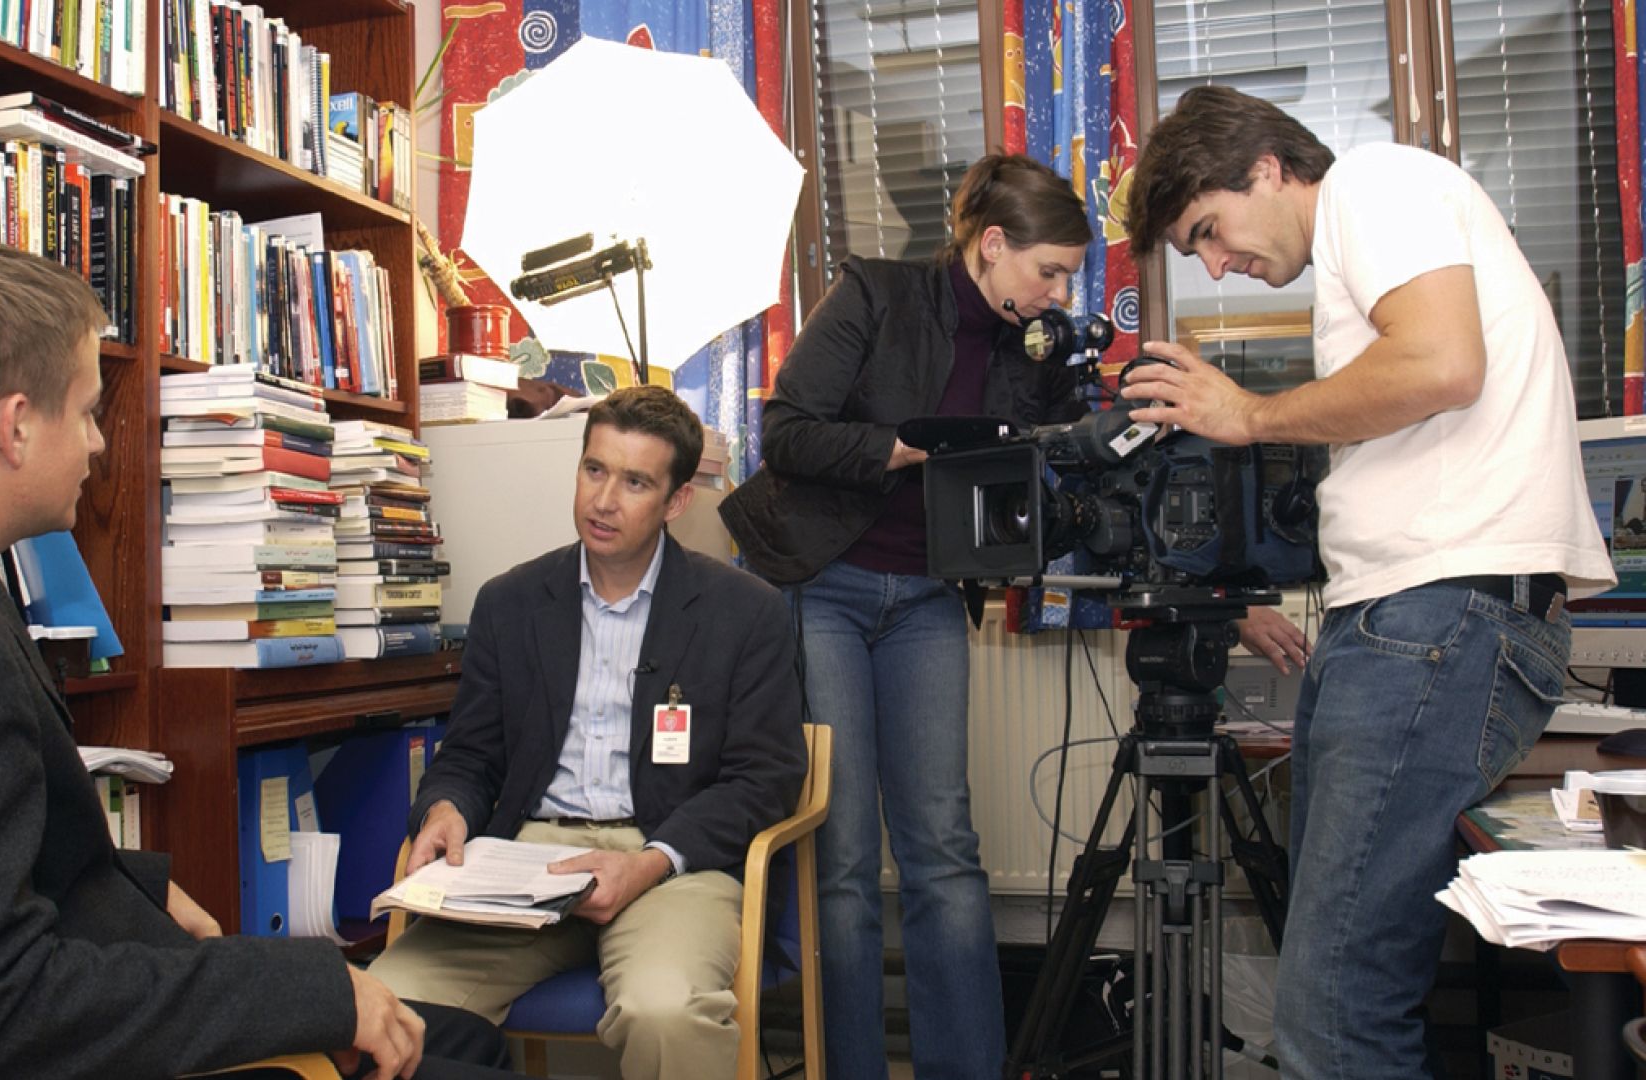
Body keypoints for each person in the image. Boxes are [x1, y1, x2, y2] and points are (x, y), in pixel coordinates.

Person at [0, 236, 519, 1080]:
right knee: (435, 1041)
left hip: (76, 988)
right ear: (16, 425)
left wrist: (134, 889)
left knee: (460, 1035)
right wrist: (301, 989)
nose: (101, 444)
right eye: (86, 410)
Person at [1123, 85, 1615, 1079]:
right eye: (1194, 253)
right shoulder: (1375, 225)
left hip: (1436, 616)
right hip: (1417, 620)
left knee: (1336, 1019)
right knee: (1340, 996)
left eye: (1209, 231)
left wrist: (1252, 416)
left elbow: (1440, 362)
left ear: (1266, 168)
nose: (1218, 266)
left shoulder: (1378, 184)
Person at [719, 153, 1094, 1080]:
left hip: (928, 596)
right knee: (841, 858)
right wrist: (902, 450)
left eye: (1068, 279)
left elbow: (1051, 453)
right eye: (1047, 272)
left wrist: (1100, 410)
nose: (1057, 293)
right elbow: (788, 430)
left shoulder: (1033, 343)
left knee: (944, 851)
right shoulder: (876, 294)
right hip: (825, 584)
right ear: (992, 245)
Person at [367, 385, 807, 1080]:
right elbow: (472, 755)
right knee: (379, 1008)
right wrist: (445, 809)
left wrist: (651, 861)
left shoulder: (743, 613)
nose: (604, 501)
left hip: (668, 858)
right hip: (528, 860)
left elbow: (767, 777)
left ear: (676, 501)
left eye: (635, 482)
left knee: (665, 1012)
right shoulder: (510, 603)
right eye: (594, 470)